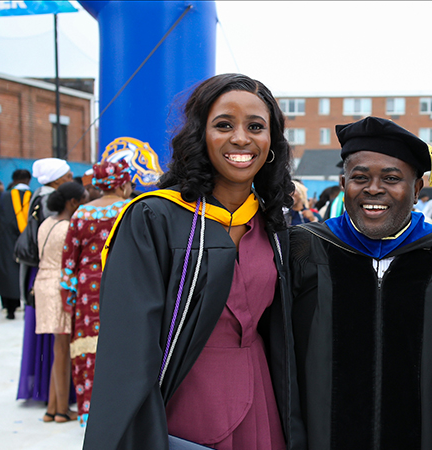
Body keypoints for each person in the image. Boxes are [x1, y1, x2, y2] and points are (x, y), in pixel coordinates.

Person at [83, 73, 295, 449]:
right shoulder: (154, 219)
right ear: (201, 134)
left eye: (256, 126)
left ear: (271, 141)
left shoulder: (273, 225)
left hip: (262, 400)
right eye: (224, 125)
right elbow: (128, 351)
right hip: (185, 403)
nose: (242, 138)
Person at [286, 116, 432, 449]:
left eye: (391, 178)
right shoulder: (304, 249)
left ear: (417, 189)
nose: (373, 188)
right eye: (360, 177)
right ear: (344, 185)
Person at [60, 159, 134, 425]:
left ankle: (90, 417)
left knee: (87, 352)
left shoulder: (80, 214)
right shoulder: (131, 210)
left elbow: (69, 261)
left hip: (86, 293)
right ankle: (121, 414)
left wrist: (68, 298)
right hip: (125, 288)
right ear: (123, 184)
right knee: (125, 349)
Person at [17, 157, 73, 403]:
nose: (71, 180)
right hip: (53, 274)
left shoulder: (37, 198)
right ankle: (57, 399)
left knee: (46, 338)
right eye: (69, 176)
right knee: (57, 341)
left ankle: (48, 395)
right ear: (58, 179)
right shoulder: (52, 206)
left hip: (37, 274)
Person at [35, 182, 88, 423]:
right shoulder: (68, 227)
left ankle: (52, 407)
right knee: (62, 349)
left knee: (58, 348)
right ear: (73, 203)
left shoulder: (46, 222)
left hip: (42, 283)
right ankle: (59, 411)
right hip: (60, 287)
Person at [0, 169, 32, 319]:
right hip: (29, 242)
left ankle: (10, 309)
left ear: (14, 180)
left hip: (6, 241)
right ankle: (27, 306)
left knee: (7, 271)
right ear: (28, 180)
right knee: (27, 272)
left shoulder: (3, 197)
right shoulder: (34, 195)